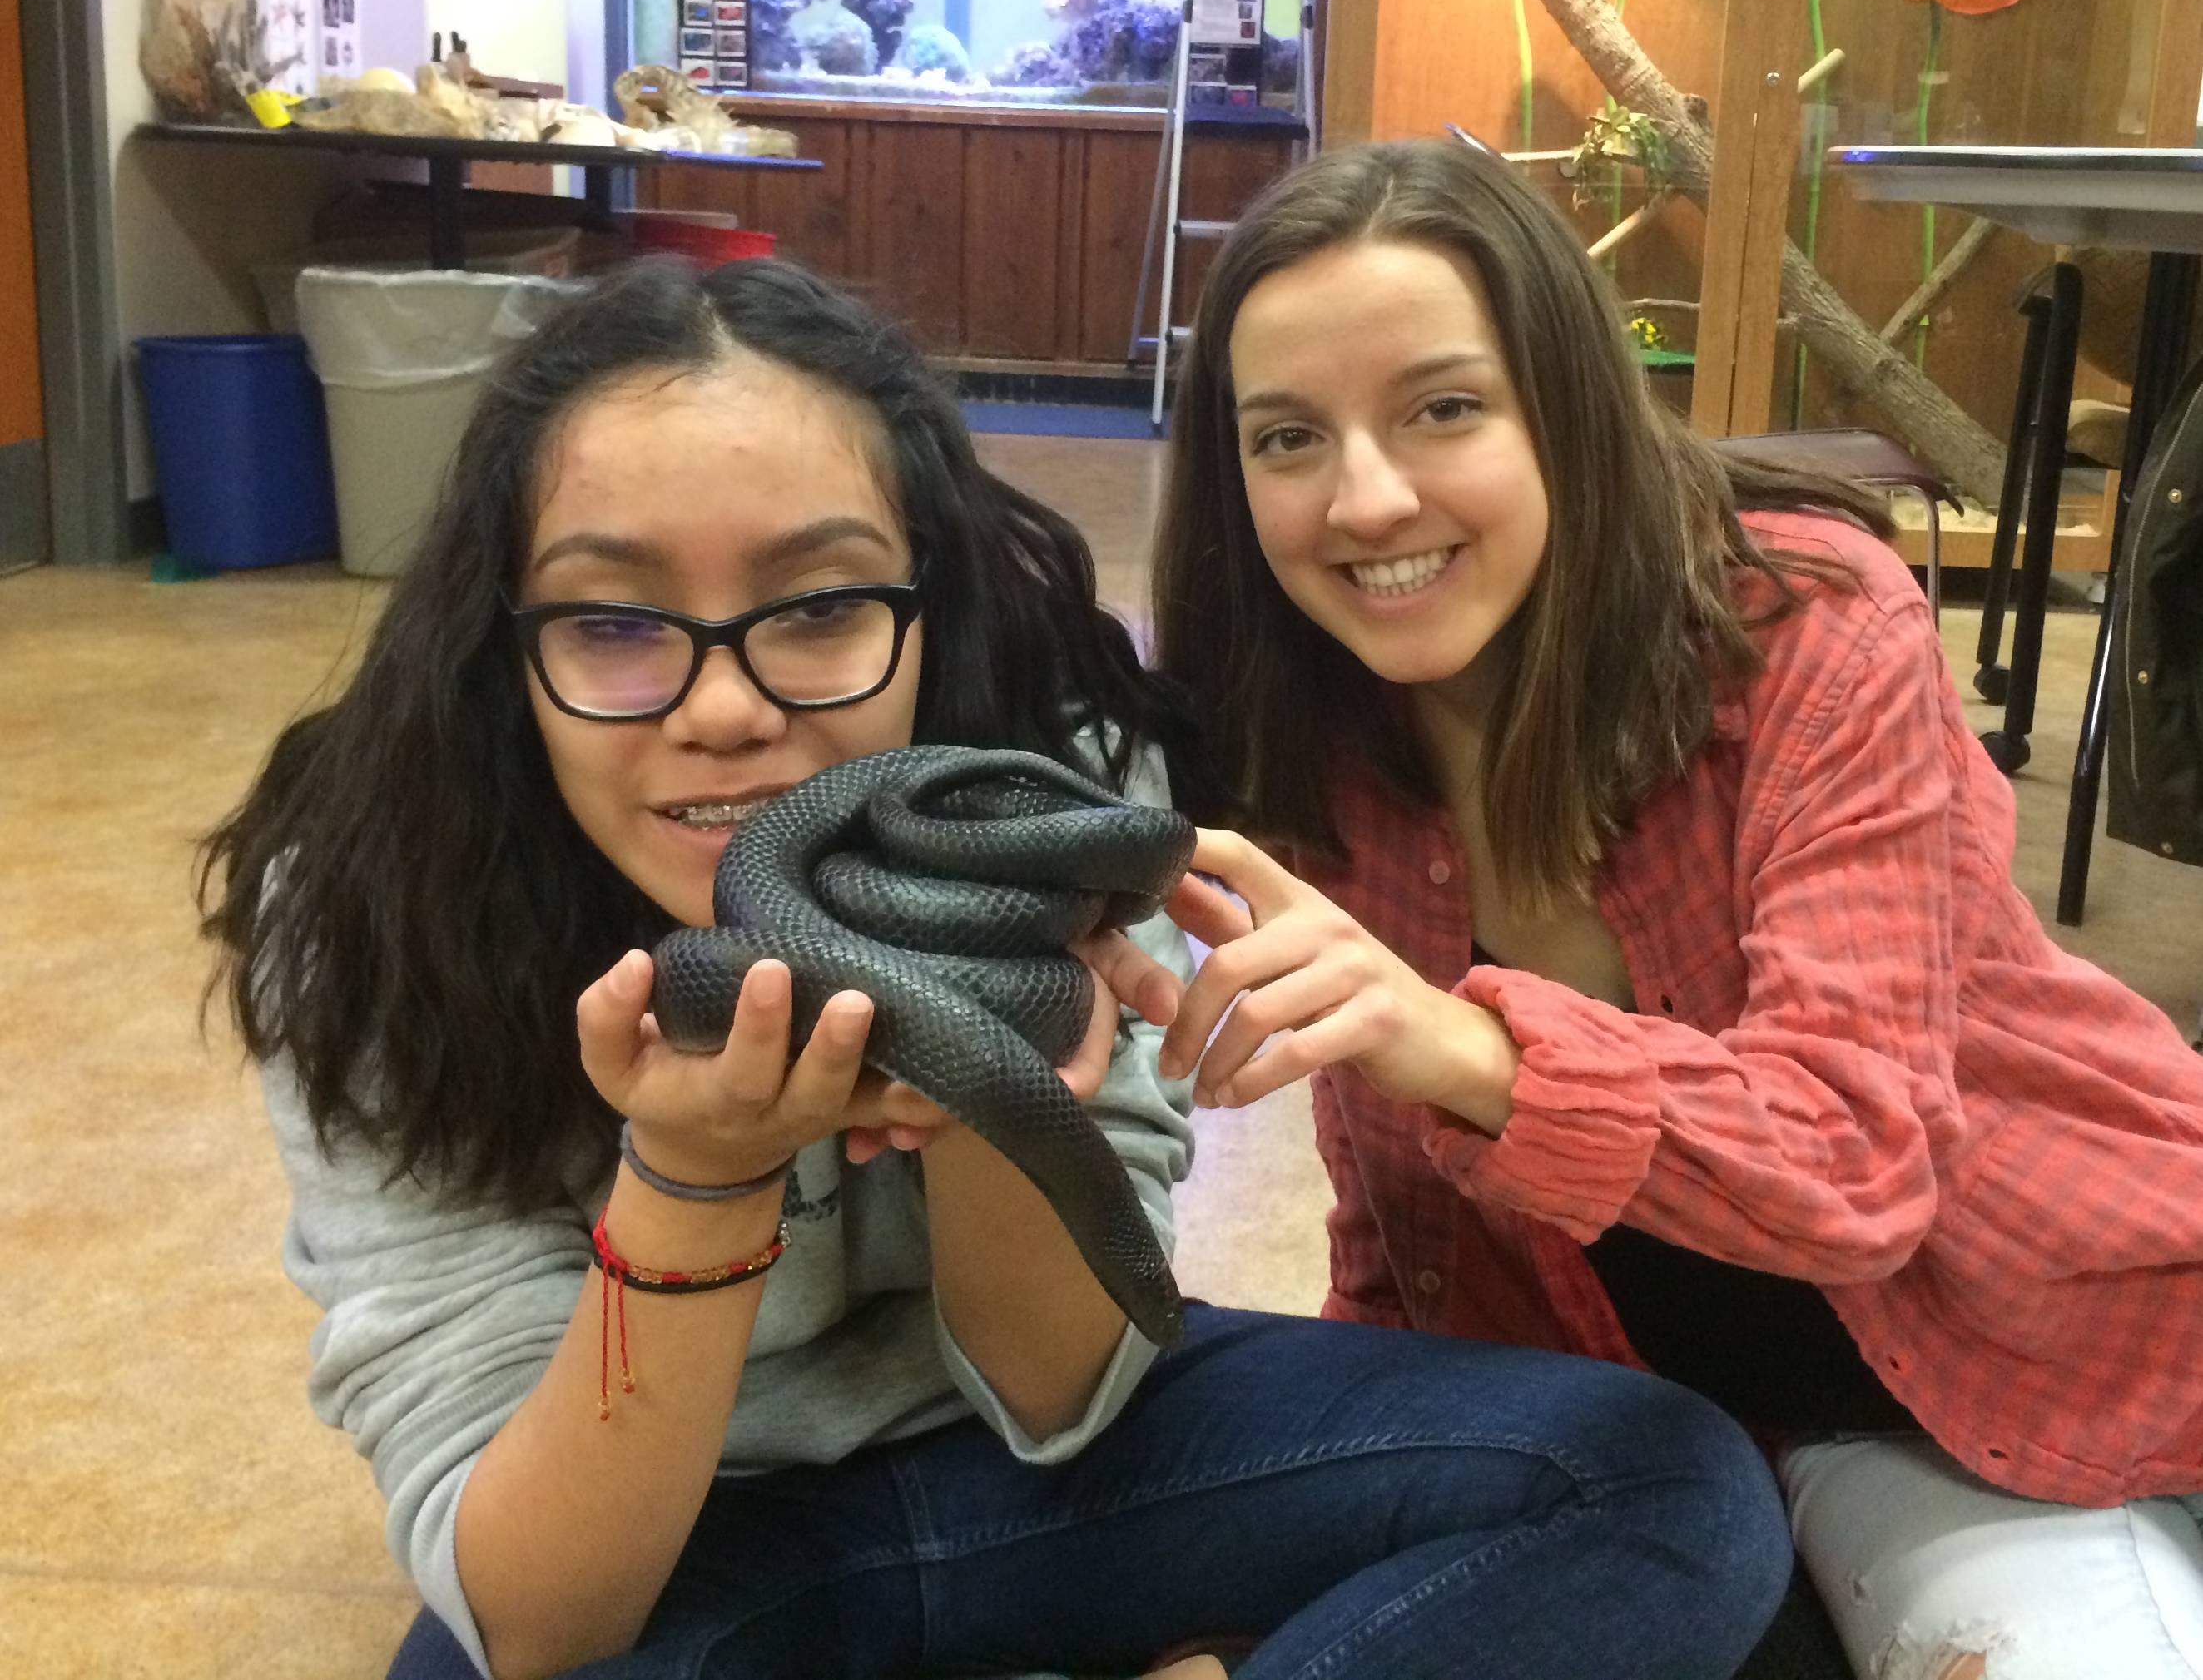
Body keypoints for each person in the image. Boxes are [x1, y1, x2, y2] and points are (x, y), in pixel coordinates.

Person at [199, 255, 1793, 1680]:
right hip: (686, 1541)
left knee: (1663, 1490)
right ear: (506, 640)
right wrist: (693, 1178)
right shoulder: (363, 900)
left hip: (1074, 1478)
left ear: (927, 599)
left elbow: (1063, 1395)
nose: (727, 709)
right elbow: (544, 1622)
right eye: (615, 622)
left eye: (820, 606)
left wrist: (983, 1108)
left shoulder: (1064, 803)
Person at [1147, 134, 2203, 1680]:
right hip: (1739, 1444)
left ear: (1565, 410)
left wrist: (1470, 1049)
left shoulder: (1804, 636)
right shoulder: (1301, 755)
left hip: (2063, 1355)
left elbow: (1860, 1155)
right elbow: (1406, 1256)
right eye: (1288, 438)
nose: (1365, 500)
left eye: (1444, 408)